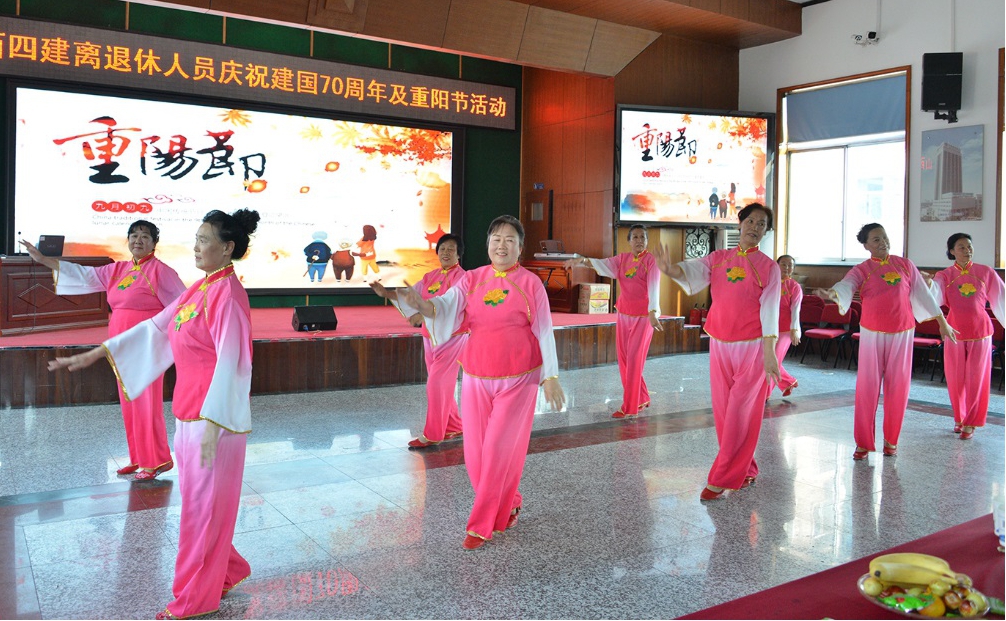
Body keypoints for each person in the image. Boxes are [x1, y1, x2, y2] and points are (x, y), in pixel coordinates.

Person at [47, 209, 260, 620]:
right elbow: (156, 329)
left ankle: (194, 599)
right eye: (195, 239)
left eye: (204, 240)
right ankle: (228, 570)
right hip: (190, 415)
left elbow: (234, 364)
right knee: (202, 506)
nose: (195, 247)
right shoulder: (201, 288)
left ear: (228, 247)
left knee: (201, 511)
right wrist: (97, 353)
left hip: (213, 424)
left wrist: (214, 428)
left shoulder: (229, 296)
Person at [370, 215, 565, 550]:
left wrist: (551, 376)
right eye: (496, 239)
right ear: (488, 244)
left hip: (519, 379)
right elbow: (445, 306)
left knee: (498, 449)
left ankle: (481, 525)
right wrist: (417, 302)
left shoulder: (530, 283)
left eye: (510, 240)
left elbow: (544, 329)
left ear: (520, 247)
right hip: (476, 376)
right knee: (475, 455)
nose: (502, 246)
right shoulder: (472, 279)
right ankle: (510, 501)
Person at [21, 220, 186, 481]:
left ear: (155, 243)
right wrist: (43, 260)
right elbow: (82, 274)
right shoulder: (117, 269)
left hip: (145, 346)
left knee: (146, 403)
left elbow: (182, 306)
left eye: (145, 236)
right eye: (134, 235)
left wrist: (173, 342)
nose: (138, 240)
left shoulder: (161, 272)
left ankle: (156, 461)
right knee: (129, 401)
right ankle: (138, 457)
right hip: (119, 346)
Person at [654, 203, 781, 501]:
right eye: (751, 221)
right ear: (740, 224)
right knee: (724, 412)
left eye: (761, 224)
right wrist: (669, 269)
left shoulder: (769, 267)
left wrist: (769, 352)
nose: (755, 227)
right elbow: (692, 272)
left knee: (739, 412)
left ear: (766, 231)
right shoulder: (719, 258)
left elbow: (771, 311)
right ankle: (745, 468)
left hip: (752, 347)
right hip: (719, 341)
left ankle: (721, 478)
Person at [813, 223, 955, 460]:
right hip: (872, 333)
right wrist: (834, 294)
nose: (883, 243)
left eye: (885, 237)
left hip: (903, 331)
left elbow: (923, 294)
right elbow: (847, 284)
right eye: (876, 240)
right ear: (866, 246)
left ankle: (891, 440)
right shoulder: (862, 269)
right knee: (867, 387)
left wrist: (942, 322)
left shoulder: (905, 264)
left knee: (898, 386)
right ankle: (863, 442)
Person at [565, 224, 663, 418]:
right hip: (624, 314)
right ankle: (641, 397)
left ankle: (630, 408)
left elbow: (654, 287)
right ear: (629, 241)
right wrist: (581, 261)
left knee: (634, 360)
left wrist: (653, 312)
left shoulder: (651, 261)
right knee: (625, 360)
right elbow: (602, 265)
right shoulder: (622, 259)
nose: (639, 241)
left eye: (642, 237)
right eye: (635, 237)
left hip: (643, 317)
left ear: (647, 241)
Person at [382, 233, 468, 448]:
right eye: (442, 249)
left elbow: (450, 303)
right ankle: (454, 425)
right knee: (441, 383)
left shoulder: (463, 278)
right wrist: (390, 294)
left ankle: (433, 434)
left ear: (459, 254)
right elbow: (413, 294)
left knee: (436, 384)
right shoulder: (431, 276)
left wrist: (424, 312)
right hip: (430, 336)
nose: (446, 253)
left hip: (452, 336)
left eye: (451, 249)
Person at [928, 233, 1005, 439]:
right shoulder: (945, 275)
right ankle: (959, 418)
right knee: (955, 378)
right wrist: (927, 284)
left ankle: (971, 422)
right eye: (961, 247)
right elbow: (934, 294)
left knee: (976, 378)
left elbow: (1002, 297)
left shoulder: (985, 272)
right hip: (954, 330)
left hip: (980, 331)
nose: (967, 250)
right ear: (952, 251)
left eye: (969, 246)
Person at [771, 254, 802, 398]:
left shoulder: (794, 287)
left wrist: (794, 329)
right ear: (776, 265)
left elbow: (795, 309)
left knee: (775, 360)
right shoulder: (770, 283)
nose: (787, 267)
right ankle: (788, 381)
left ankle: (764, 394)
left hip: (785, 330)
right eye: (783, 264)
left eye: (790, 265)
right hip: (769, 327)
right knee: (767, 359)